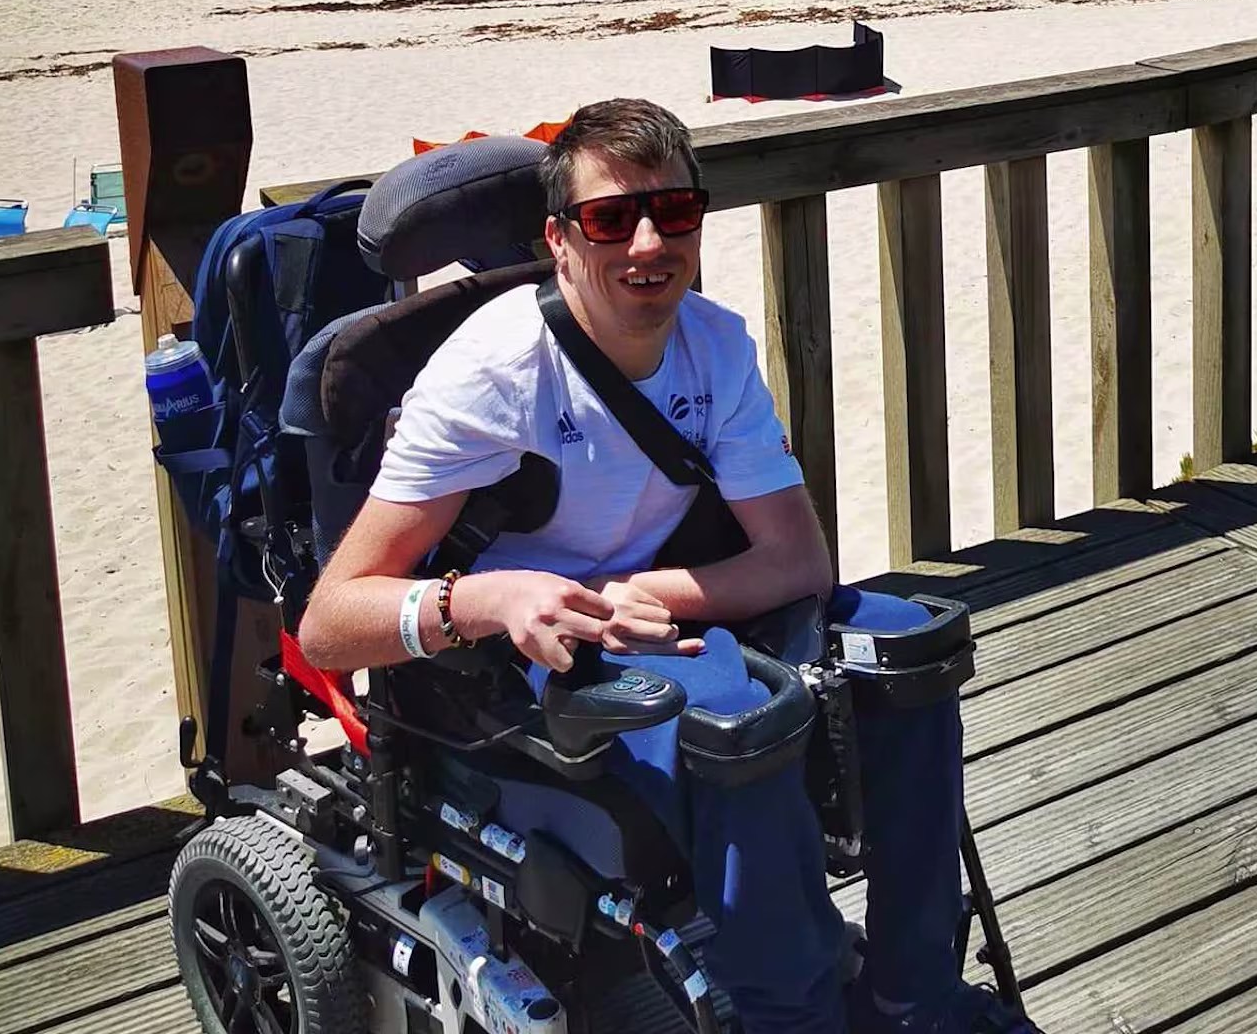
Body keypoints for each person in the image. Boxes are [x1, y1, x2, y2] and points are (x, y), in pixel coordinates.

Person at [299, 98, 1032, 1034]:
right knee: (738, 712)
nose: (648, 242)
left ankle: (915, 995)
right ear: (560, 242)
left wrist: (627, 593)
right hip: (515, 653)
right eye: (610, 218)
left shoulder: (713, 346)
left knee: (907, 648)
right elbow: (331, 622)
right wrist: (493, 596)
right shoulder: (495, 373)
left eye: (673, 211)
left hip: (649, 606)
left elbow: (798, 562)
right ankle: (793, 1016)